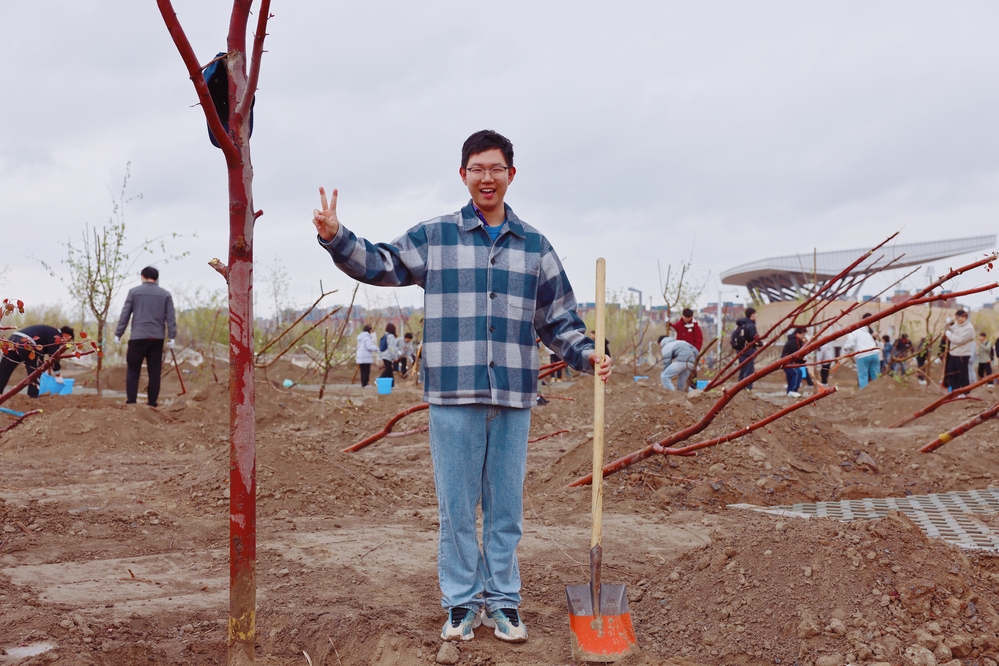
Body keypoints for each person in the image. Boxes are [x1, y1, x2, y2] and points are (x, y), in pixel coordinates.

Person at [311, 129, 610, 643]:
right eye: (477, 169)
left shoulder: (535, 246)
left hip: (512, 395)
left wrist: (587, 354)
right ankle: (461, 604)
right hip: (452, 395)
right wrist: (337, 236)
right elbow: (383, 263)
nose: (486, 177)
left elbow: (558, 320)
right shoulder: (437, 237)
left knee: (505, 511)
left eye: (496, 169)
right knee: (456, 510)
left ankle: (503, 602)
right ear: (463, 174)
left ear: (511, 175)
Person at [114, 266, 176, 408]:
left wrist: (119, 333)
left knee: (133, 370)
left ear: (142, 276)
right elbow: (171, 318)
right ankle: (152, 403)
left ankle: (131, 402)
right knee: (154, 371)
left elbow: (125, 315)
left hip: (138, 337)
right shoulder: (165, 294)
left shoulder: (134, 292)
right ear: (156, 278)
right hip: (157, 338)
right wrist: (171, 336)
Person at [0, 325, 75, 398]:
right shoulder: (56, 335)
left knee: (3, 371)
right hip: (27, 343)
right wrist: (57, 374)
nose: (65, 344)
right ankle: (32, 398)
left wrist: (42, 366)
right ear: (66, 335)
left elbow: (40, 354)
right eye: (68, 341)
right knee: (35, 373)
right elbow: (54, 355)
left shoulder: (48, 332)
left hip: (12, 340)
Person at [841, 313, 881, 389]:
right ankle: (878, 391)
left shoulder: (854, 330)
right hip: (874, 354)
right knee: (876, 375)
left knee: (863, 376)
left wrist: (846, 350)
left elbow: (851, 342)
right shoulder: (867, 330)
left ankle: (864, 393)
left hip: (863, 355)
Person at [943, 310, 975, 391]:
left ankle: (965, 391)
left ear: (964, 317)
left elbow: (959, 340)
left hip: (962, 355)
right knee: (952, 374)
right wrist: (947, 324)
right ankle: (955, 391)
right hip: (953, 353)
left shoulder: (969, 328)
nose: (957, 319)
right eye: (956, 318)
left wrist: (949, 334)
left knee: (962, 375)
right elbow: (949, 329)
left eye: (958, 317)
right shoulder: (957, 325)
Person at [732, 307, 762, 390]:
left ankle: (739, 389)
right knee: (748, 372)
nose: (756, 316)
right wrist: (760, 343)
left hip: (740, 351)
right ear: (752, 315)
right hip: (748, 352)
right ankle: (747, 390)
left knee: (742, 371)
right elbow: (755, 338)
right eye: (755, 314)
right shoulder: (750, 326)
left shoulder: (741, 325)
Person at [781, 328, 806, 397]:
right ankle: (793, 390)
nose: (803, 336)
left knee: (791, 376)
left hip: (788, 362)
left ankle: (789, 392)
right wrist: (802, 361)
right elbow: (797, 353)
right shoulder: (794, 341)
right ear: (797, 333)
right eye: (803, 334)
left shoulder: (798, 341)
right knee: (798, 372)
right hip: (787, 362)